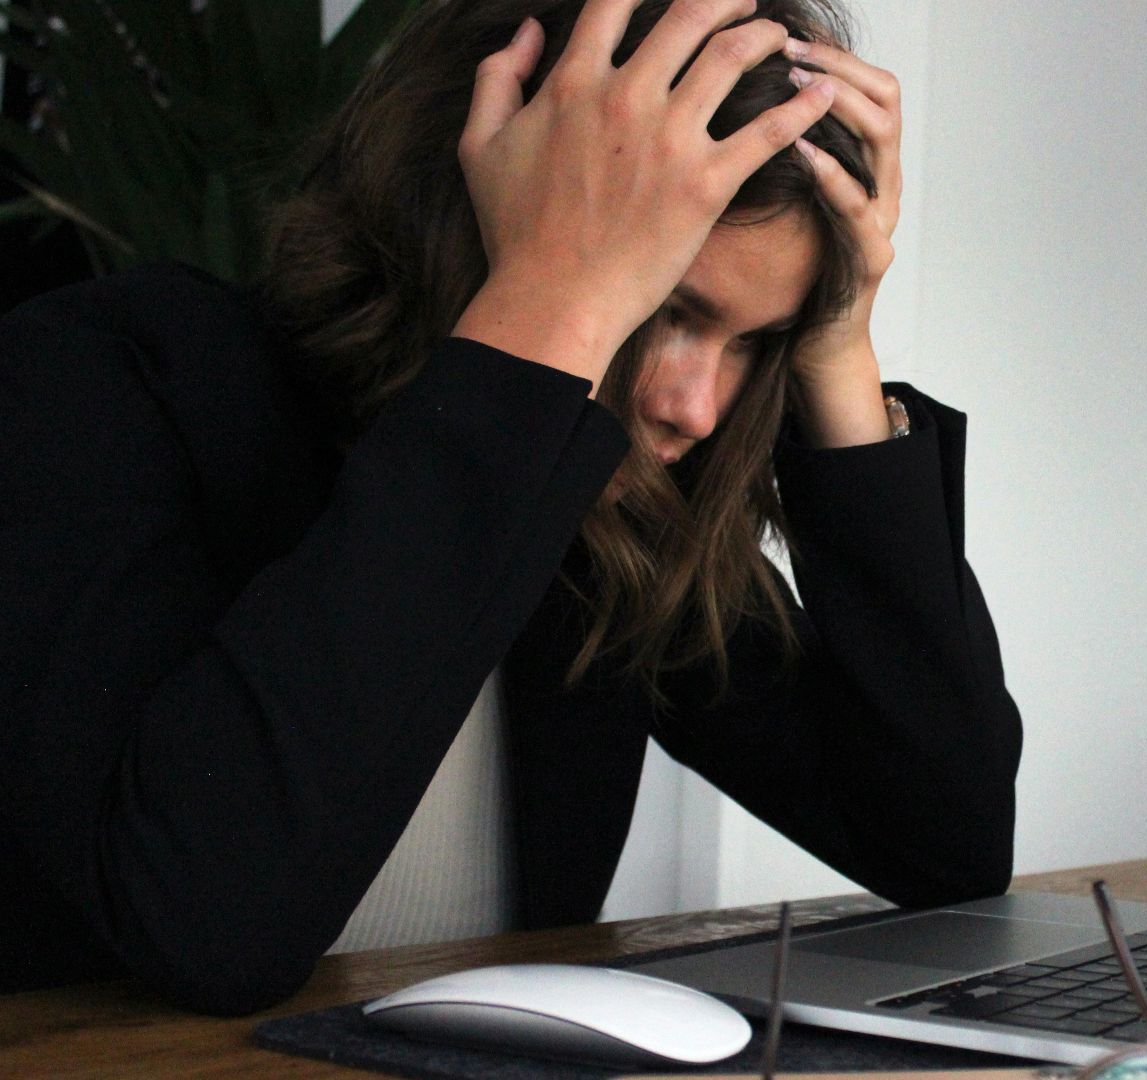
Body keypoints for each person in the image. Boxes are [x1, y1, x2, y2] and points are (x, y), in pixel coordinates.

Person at [0, 0, 1021, 1015]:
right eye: (665, 305)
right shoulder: (100, 381)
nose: (696, 406)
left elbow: (943, 847)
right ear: (477, 203)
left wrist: (838, 349)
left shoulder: (605, 514)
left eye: (757, 341)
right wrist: (551, 314)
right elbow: (206, 925)